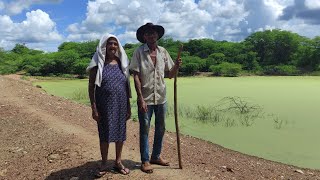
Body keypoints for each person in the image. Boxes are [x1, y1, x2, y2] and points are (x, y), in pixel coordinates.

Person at [129, 23, 182, 173]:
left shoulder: (163, 52)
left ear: (157, 35)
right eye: (148, 33)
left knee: (161, 128)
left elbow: (170, 75)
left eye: (154, 33)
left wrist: (176, 66)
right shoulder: (139, 52)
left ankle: (156, 156)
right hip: (145, 98)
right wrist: (140, 98)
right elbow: (136, 76)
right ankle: (145, 160)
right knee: (144, 128)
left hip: (161, 98)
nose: (151, 36)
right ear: (144, 37)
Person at [87, 34, 131, 177]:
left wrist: (129, 106)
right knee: (104, 134)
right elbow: (91, 86)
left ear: (118, 47)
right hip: (103, 105)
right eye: (109, 43)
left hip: (121, 104)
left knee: (120, 134)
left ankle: (118, 161)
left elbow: (126, 86)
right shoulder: (97, 64)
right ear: (103, 46)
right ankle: (104, 162)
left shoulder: (121, 63)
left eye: (115, 44)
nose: (112, 46)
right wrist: (94, 107)